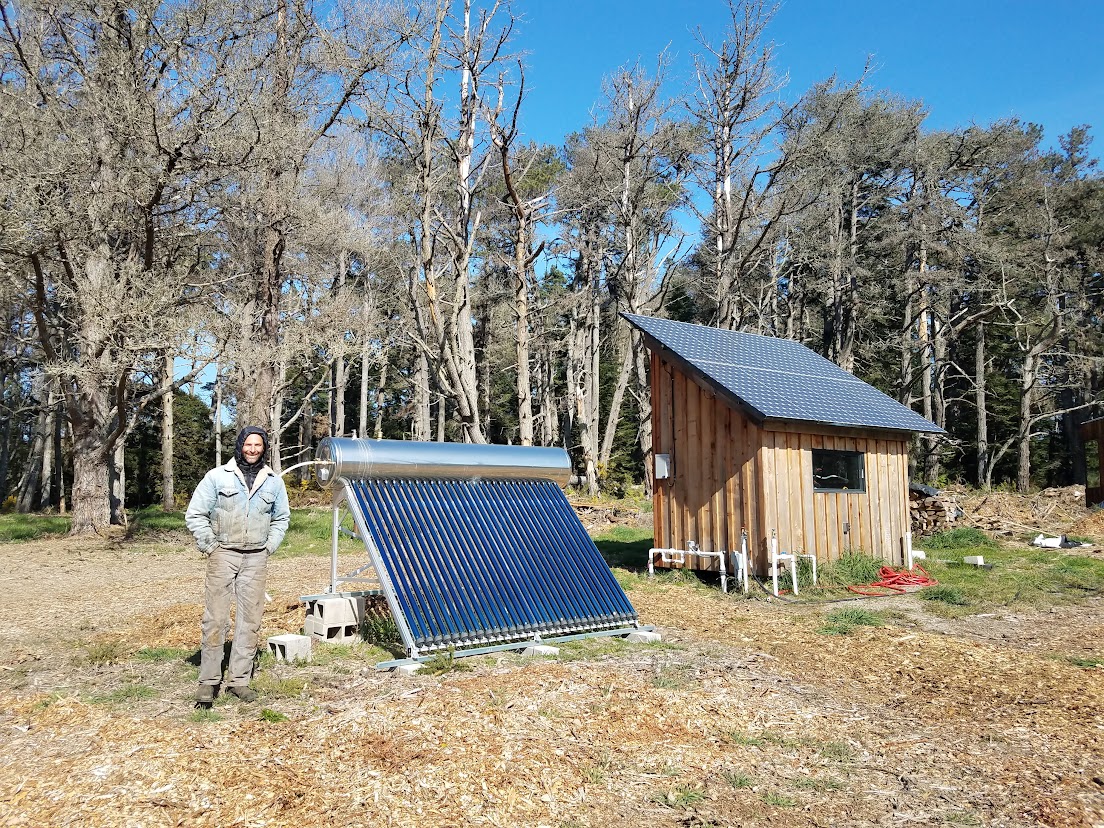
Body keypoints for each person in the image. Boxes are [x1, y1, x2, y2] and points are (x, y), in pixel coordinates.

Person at [185, 426, 290, 703]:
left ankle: (239, 680)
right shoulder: (217, 476)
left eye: (258, 445)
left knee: (250, 621)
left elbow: (282, 518)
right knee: (216, 619)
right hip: (223, 555)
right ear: (240, 445)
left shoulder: (273, 481)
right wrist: (211, 546)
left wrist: (269, 546)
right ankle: (208, 681)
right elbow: (195, 514)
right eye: (248, 444)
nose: (253, 449)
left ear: (264, 447)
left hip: (256, 557)